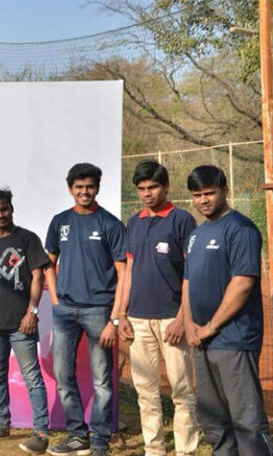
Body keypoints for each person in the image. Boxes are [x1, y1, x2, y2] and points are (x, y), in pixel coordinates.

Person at [182, 165, 273, 455]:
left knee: (245, 419)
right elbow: (187, 281)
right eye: (197, 195)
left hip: (233, 339)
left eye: (209, 193)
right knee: (212, 418)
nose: (203, 200)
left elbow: (243, 284)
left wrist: (211, 326)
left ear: (224, 190)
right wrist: (188, 324)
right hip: (201, 340)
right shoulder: (196, 234)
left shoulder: (241, 228)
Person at [44, 163, 126, 456]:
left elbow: (123, 273)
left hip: (99, 311)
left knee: (102, 380)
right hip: (64, 311)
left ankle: (101, 441)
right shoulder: (59, 222)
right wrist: (55, 300)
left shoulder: (110, 224)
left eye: (89, 186)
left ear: (97, 188)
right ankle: (77, 437)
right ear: (70, 189)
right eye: (78, 187)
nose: (84, 192)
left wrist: (114, 319)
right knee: (63, 376)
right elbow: (48, 263)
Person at [118, 160, 199, 456]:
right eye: (141, 189)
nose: (147, 194)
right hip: (138, 320)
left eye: (152, 187)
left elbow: (192, 274)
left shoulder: (182, 220)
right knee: (146, 394)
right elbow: (128, 271)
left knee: (181, 392)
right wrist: (122, 315)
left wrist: (182, 318)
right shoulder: (134, 222)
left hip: (171, 320)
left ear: (165, 186)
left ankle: (186, 451)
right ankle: (155, 451)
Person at [0, 188, 51, 455]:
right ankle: (1, 424)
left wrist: (33, 311)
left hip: (21, 323)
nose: (1, 215)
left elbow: (38, 277)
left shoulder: (27, 239)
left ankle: (40, 433)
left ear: (12, 209)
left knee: (32, 377)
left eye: (4, 209)